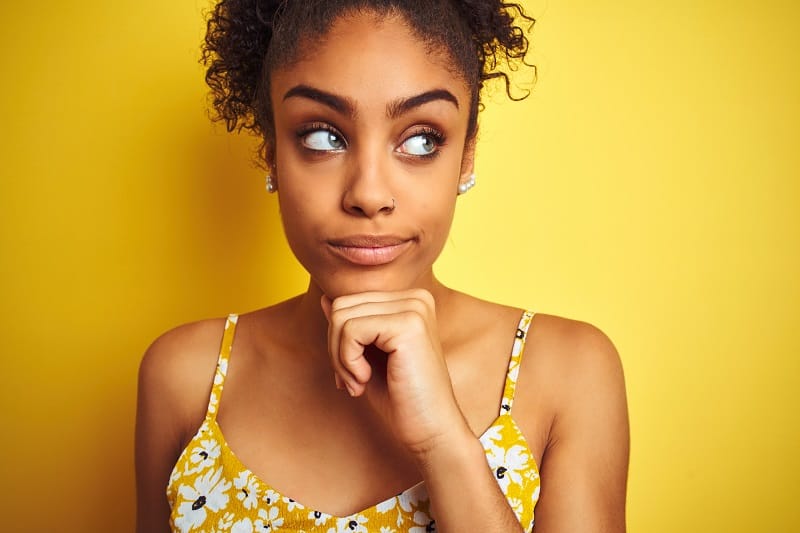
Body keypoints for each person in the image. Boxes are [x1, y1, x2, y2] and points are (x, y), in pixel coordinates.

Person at [135, 1, 630, 531]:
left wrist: (444, 441)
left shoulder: (566, 373)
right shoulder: (187, 379)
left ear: (466, 155)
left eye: (421, 140)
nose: (369, 195)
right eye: (323, 136)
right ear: (271, 151)